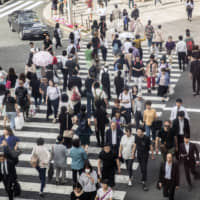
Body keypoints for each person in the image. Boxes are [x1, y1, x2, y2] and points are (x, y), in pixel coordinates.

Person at [132, 127, 154, 191]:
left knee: (144, 168)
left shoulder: (146, 138)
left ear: (142, 132)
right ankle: (143, 177)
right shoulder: (136, 137)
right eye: (137, 132)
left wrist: (152, 155)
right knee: (142, 168)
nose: (138, 133)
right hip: (139, 155)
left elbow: (150, 146)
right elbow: (135, 145)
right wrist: (133, 154)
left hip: (145, 155)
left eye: (139, 132)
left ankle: (144, 182)